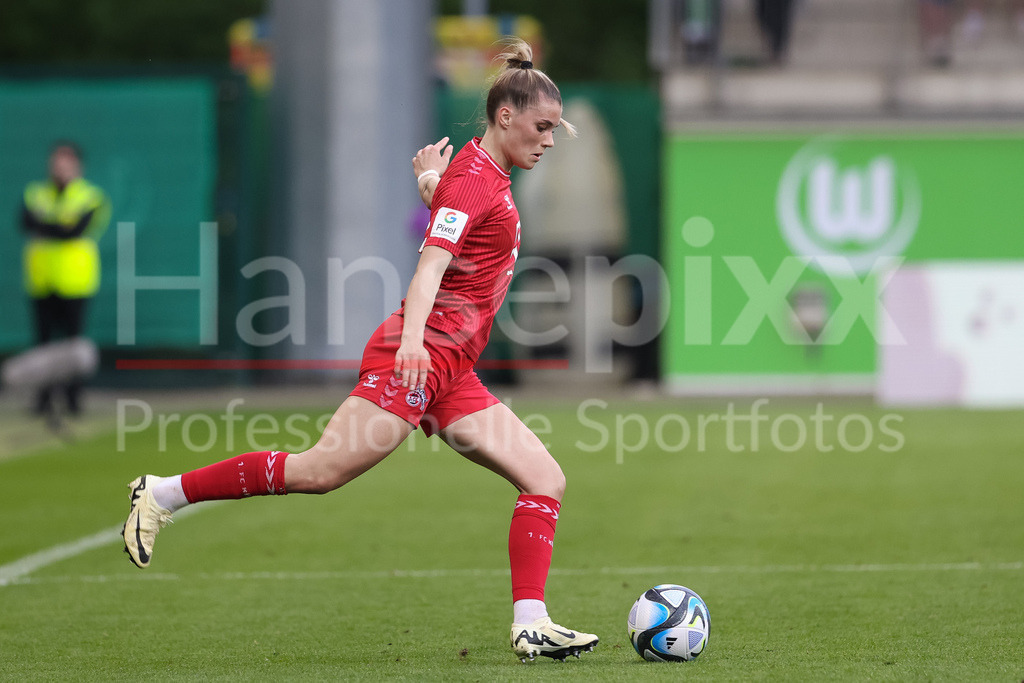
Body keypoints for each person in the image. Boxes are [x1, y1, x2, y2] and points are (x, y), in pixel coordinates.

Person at [120, 38, 599, 663]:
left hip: (449, 368)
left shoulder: (479, 173)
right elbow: (429, 268)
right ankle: (161, 494)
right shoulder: (479, 181)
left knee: (545, 479)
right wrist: (411, 346)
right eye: (542, 126)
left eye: (555, 129)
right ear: (505, 116)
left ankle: (530, 623)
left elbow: (456, 215)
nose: (550, 139)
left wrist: (431, 181)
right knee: (320, 471)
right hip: (420, 355)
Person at [21, 141, 110, 418]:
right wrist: (59, 226)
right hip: (42, 280)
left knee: (74, 345)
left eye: (66, 162)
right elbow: (26, 223)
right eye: (57, 162)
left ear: (77, 166)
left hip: (75, 281)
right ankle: (43, 398)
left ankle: (73, 399)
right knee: (43, 343)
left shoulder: (91, 196)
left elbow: (73, 231)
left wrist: (49, 226)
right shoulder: (35, 193)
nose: (61, 168)